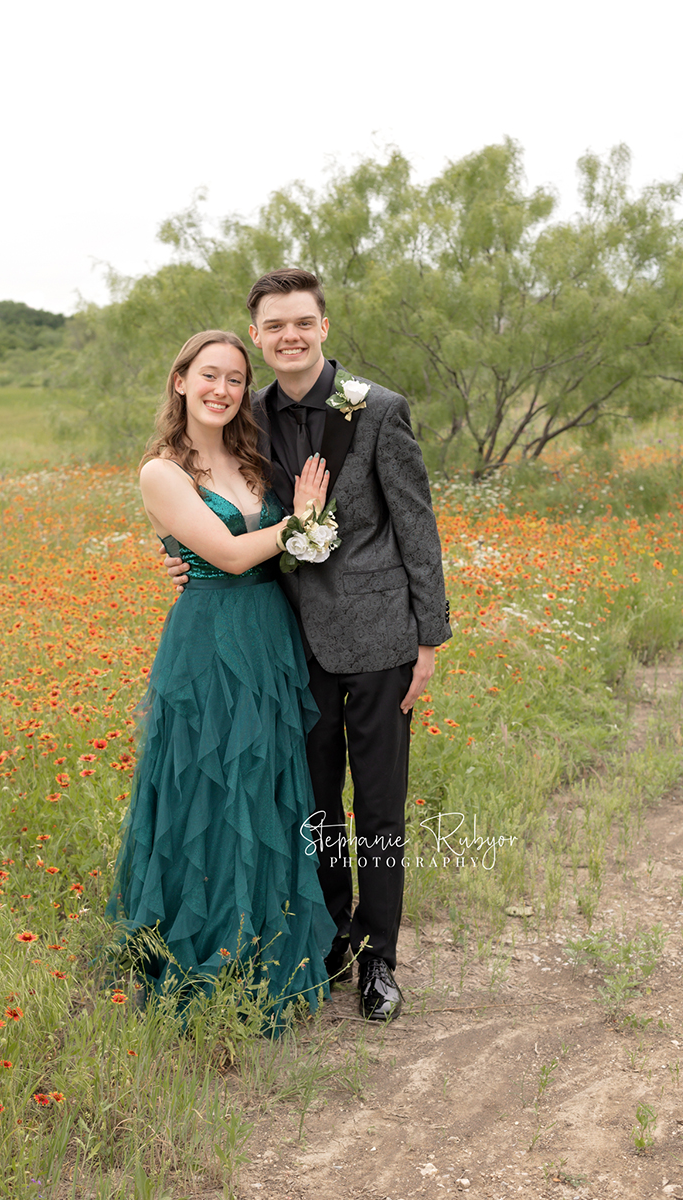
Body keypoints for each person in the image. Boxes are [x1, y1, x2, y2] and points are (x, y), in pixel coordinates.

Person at [167, 271, 452, 1022]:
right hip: (287, 642)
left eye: (302, 322)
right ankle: (330, 940)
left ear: (323, 327)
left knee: (380, 806)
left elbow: (417, 528)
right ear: (257, 337)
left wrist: (430, 639)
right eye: (274, 326)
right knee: (313, 803)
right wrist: (183, 558)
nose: (289, 336)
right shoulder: (246, 416)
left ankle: (381, 958)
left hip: (383, 636)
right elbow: (216, 505)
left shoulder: (378, 408)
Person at [105, 329, 336, 1032]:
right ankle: (200, 949)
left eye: (236, 378)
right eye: (209, 375)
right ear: (180, 381)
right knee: (206, 787)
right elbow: (231, 555)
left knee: (263, 781)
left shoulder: (250, 454)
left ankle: (264, 946)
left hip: (268, 634)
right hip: (209, 640)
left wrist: (302, 530)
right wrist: (299, 523)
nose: (223, 389)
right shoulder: (162, 471)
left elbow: (262, 554)